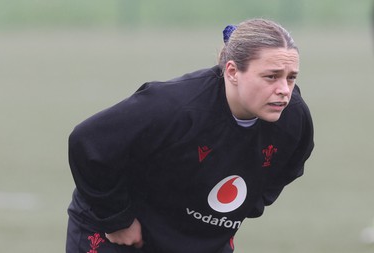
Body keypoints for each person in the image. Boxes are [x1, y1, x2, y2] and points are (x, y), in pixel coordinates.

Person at [66, 18, 314, 253]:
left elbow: (291, 163)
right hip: (120, 236)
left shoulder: (293, 117)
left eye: (291, 78)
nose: (284, 90)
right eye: (271, 76)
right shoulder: (175, 106)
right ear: (232, 72)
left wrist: (243, 205)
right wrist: (116, 219)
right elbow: (87, 142)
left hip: (198, 239)